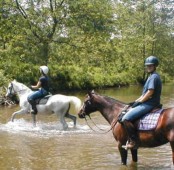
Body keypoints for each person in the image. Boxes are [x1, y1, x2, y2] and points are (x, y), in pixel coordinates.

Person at [121, 56, 162, 149]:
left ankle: (133, 142)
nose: (148, 67)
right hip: (149, 102)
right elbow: (144, 94)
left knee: (126, 118)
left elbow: (150, 92)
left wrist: (141, 102)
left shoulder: (154, 77)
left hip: (149, 104)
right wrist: (136, 101)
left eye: (150, 66)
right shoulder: (151, 76)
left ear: (155, 66)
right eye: (147, 66)